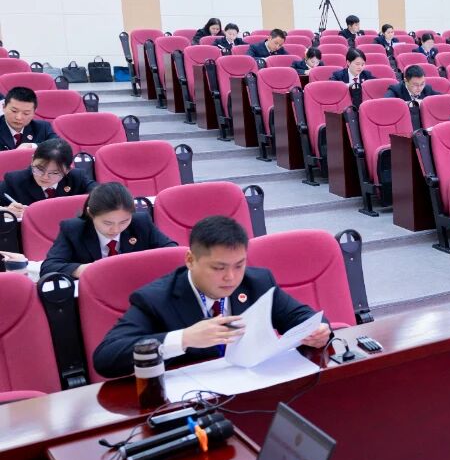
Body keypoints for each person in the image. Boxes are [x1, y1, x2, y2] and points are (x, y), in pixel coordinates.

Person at [92, 216, 331, 380]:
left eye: (239, 265)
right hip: (192, 403)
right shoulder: (156, 298)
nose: (231, 277)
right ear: (190, 260)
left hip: (252, 387)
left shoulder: (258, 282)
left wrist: (319, 331)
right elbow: (106, 357)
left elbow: (305, 318)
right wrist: (184, 338)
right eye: (218, 268)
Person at [41, 182, 176, 278]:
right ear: (90, 213)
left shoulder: (141, 223)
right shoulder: (73, 230)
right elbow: (49, 267)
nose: (116, 229)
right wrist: (83, 269)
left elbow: (172, 251)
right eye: (107, 223)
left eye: (124, 221)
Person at [0, 138, 94, 218]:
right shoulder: (15, 180)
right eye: (39, 169)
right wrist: (6, 210)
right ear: (32, 160)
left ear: (67, 170)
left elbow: (99, 195)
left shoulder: (77, 177)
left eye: (54, 172)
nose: (45, 177)